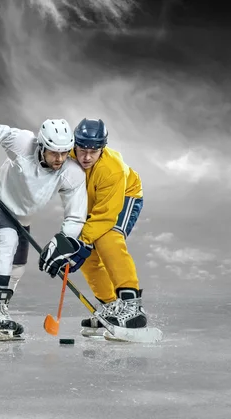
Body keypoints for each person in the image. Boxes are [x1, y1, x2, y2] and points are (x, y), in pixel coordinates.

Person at [0, 118, 87, 341]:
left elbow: (75, 215)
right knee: (5, 238)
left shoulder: (72, 174)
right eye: (54, 152)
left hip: (22, 219)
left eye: (65, 153)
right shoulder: (23, 142)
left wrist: (65, 240)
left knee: (17, 267)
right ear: (42, 146)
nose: (59, 159)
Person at [39, 118, 148, 336]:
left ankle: (131, 306)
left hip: (124, 197)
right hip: (91, 199)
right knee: (86, 255)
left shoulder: (112, 169)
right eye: (81, 150)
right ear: (73, 146)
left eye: (94, 151)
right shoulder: (65, 156)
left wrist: (81, 242)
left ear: (102, 149)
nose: (86, 157)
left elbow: (106, 216)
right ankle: (110, 306)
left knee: (107, 237)